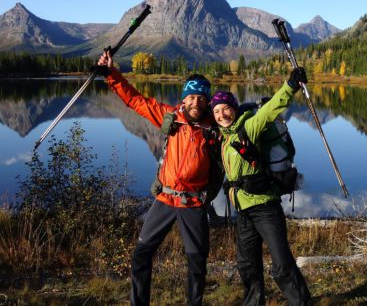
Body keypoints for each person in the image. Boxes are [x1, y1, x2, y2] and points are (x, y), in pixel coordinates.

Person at [97, 51, 222, 306]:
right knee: (142, 254)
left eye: (201, 97)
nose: (196, 102)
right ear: (183, 99)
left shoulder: (216, 127)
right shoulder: (169, 117)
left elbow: (247, 123)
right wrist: (112, 74)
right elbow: (135, 101)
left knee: (197, 262)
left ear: (207, 101)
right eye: (191, 97)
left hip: (194, 205)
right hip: (165, 199)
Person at [210, 67, 311, 306]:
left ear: (234, 108)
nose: (222, 114)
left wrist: (290, 86)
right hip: (243, 210)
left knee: (282, 265)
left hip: (265, 207)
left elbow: (270, 109)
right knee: (247, 264)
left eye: (225, 108)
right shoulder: (223, 137)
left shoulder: (249, 127)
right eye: (216, 111)